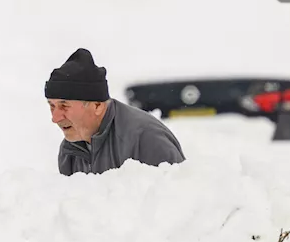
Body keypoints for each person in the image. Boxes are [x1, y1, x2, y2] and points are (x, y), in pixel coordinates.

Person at [45, 48, 185, 176]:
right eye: (52, 106)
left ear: (97, 106)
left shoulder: (146, 139)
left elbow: (178, 196)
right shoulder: (70, 151)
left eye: (64, 106)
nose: (55, 118)